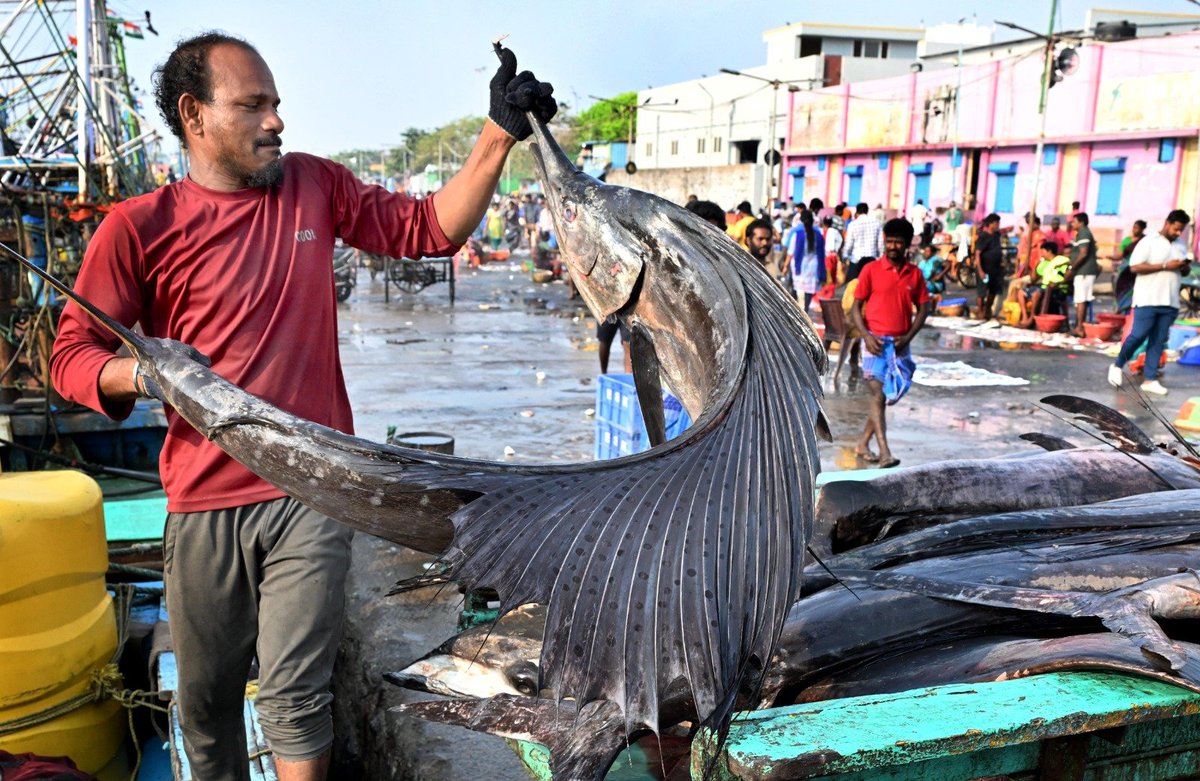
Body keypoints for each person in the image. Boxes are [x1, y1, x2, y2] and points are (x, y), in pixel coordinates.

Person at [49, 33, 556, 781]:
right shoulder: (138, 228)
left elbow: (429, 228)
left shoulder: (314, 185)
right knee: (206, 706)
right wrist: (149, 376)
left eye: (277, 103)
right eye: (253, 105)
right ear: (194, 114)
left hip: (312, 490)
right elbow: (70, 356)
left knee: (295, 697)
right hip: (202, 498)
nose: (276, 120)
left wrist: (497, 135)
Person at [850, 218, 929, 469]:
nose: (893, 246)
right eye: (890, 241)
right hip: (874, 343)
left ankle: (862, 444)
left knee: (886, 396)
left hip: (900, 346)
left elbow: (924, 308)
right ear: (884, 241)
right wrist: (866, 335)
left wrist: (908, 337)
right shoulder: (870, 270)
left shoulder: (915, 274)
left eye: (898, 242)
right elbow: (855, 307)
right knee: (877, 395)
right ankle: (885, 452)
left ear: (907, 244)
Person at [1109, 210, 1192, 395]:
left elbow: (1184, 272)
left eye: (1181, 230)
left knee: (1158, 340)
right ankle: (1117, 365)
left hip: (1170, 301)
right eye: (1176, 229)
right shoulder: (1148, 241)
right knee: (1138, 335)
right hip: (1147, 299)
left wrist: (1183, 266)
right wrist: (1165, 265)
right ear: (1167, 223)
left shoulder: (1180, 244)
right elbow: (1135, 267)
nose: (1178, 233)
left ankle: (1150, 379)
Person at [1017, 241, 1070, 327]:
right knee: (1021, 292)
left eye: (1043, 251)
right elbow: (1033, 279)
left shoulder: (1061, 259)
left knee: (1036, 294)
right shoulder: (1045, 263)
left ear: (1049, 251)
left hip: (1056, 288)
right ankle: (1025, 317)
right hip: (1043, 287)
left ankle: (1032, 318)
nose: (1042, 254)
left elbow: (1069, 270)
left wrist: (1059, 283)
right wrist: (1036, 265)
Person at [1066, 211, 1099, 337]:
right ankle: (1079, 326)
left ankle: (1079, 328)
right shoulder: (1081, 233)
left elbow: (1083, 253)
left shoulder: (1084, 233)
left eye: (1074, 222)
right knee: (1081, 300)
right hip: (1082, 271)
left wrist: (1072, 268)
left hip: (1084, 272)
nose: (1072, 224)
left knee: (1081, 300)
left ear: (1081, 222)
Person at [788, 209, 826, 311]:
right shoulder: (818, 234)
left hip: (799, 266)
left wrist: (785, 266)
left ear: (801, 220)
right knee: (808, 291)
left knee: (799, 290)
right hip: (813, 267)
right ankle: (806, 310)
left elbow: (790, 252)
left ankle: (799, 311)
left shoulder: (797, 234)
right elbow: (822, 253)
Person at [973, 213, 1005, 320]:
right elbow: (977, 254)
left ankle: (988, 309)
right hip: (984, 269)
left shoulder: (996, 235)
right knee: (982, 292)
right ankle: (980, 311)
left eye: (998, 223)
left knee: (994, 290)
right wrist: (980, 271)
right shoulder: (983, 236)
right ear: (990, 224)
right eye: (995, 223)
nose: (997, 225)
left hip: (995, 269)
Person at [842, 202, 883, 281]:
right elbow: (880, 244)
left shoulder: (853, 224)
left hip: (856, 260)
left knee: (854, 286)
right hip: (872, 260)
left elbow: (849, 244)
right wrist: (880, 257)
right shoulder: (877, 223)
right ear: (867, 211)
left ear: (857, 212)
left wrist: (845, 257)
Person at [1114, 220, 1148, 314]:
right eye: (1134, 227)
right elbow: (1119, 255)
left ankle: (1130, 314)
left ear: (1142, 229)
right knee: (1122, 291)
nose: (1134, 230)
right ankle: (1120, 311)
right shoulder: (1127, 240)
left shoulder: (1145, 241)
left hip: (1138, 270)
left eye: (1137, 228)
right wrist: (1109, 257)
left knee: (1135, 293)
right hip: (1125, 270)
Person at [916, 242, 947, 306]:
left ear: (932, 253)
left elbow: (948, 265)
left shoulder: (936, 259)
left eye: (928, 251)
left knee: (934, 300)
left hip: (935, 284)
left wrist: (940, 275)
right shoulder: (922, 262)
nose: (926, 253)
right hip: (925, 284)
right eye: (925, 251)